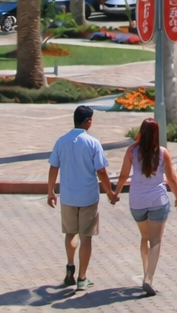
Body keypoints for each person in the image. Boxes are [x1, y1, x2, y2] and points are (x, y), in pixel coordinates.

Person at [47, 105, 117, 292]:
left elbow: (54, 167)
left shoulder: (61, 141)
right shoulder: (93, 143)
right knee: (86, 238)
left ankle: (70, 267)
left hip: (68, 196)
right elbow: (101, 171)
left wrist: (50, 191)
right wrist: (110, 192)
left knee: (70, 233)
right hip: (88, 196)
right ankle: (82, 278)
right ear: (88, 121)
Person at [114, 118, 177, 297]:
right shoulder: (162, 153)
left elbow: (123, 175)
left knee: (144, 236)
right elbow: (172, 178)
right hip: (157, 201)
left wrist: (116, 193)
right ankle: (148, 278)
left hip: (136, 202)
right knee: (156, 240)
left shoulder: (132, 151)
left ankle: (145, 273)